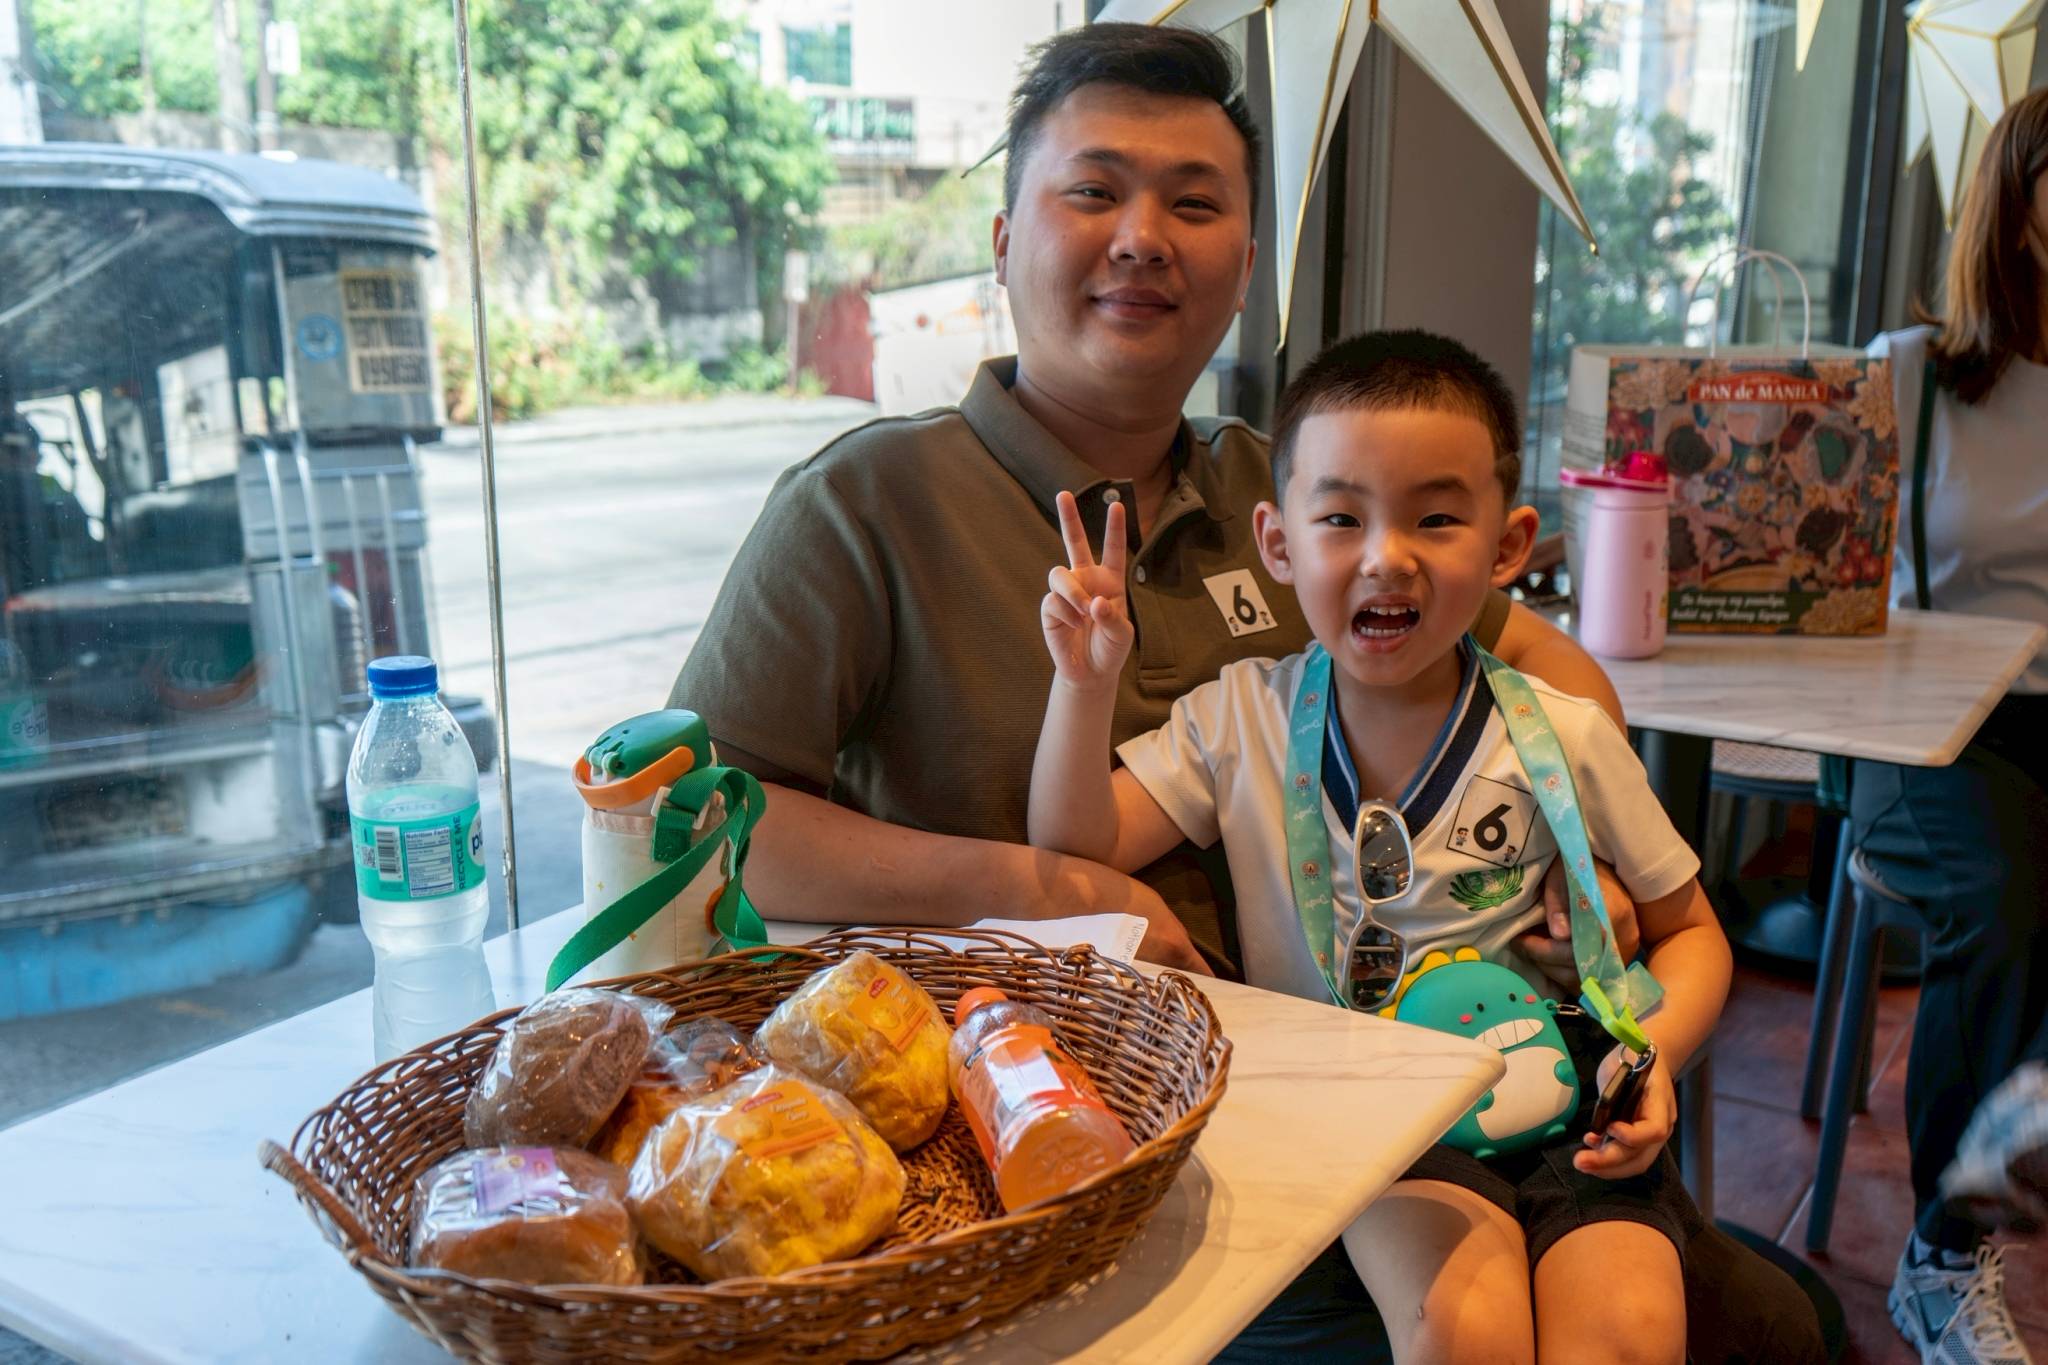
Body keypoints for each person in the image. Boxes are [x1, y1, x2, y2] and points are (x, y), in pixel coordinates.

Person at [672, 24, 1823, 1362]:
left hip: (1396, 1073)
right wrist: (1054, 887)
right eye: (1093, 190)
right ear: (1002, 238)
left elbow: (1542, 665)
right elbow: (710, 827)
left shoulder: (1287, 487)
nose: (1142, 238)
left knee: (1777, 1325)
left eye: (1194, 203)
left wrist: (1581, 855)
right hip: (1082, 1157)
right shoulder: (868, 503)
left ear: (1241, 270)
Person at [1029, 329, 1735, 1363]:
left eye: (1435, 518)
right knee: (1461, 1331)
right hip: (1379, 1119)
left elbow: (1692, 934)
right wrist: (1083, 684)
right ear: (1278, 545)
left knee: (1628, 1337)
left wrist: (1653, 1057)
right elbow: (1076, 839)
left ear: (1507, 546)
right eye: (1341, 518)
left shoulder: (1564, 736)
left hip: (1580, 1103)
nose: (1385, 555)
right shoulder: (1239, 719)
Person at [1859, 86, 2048, 1365]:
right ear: (2014, 205)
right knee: (2001, 897)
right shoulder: (1908, 373)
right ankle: (1939, 1258)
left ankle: (2030, 1097)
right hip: (1931, 717)